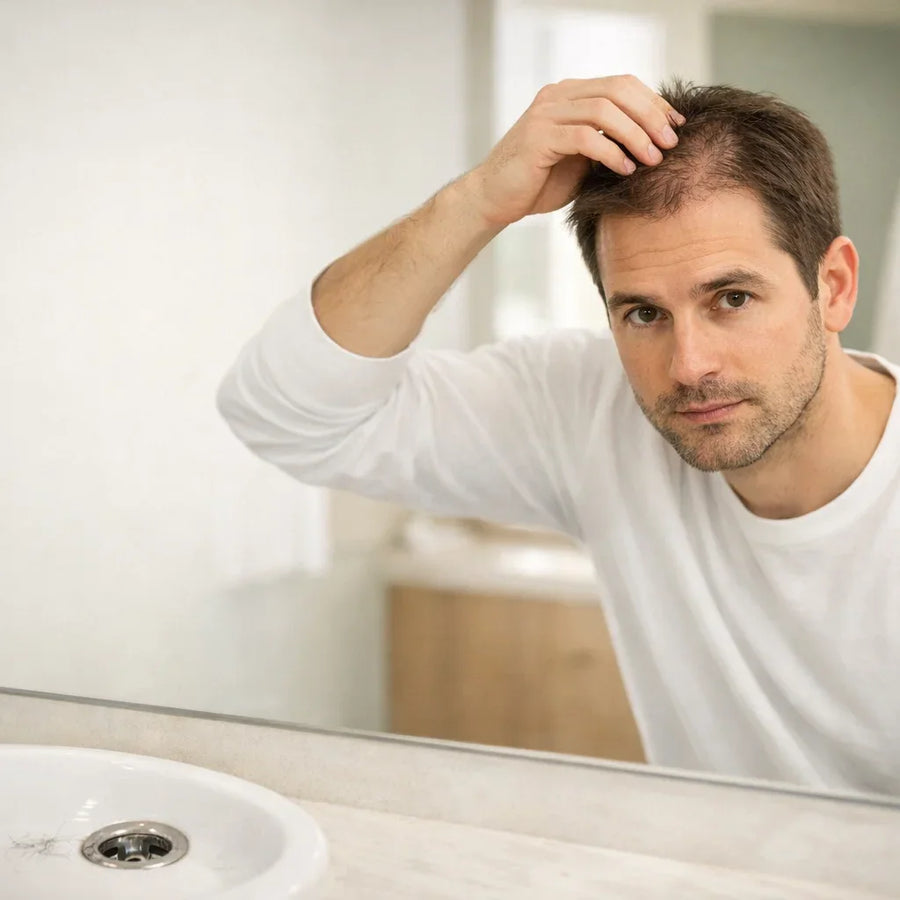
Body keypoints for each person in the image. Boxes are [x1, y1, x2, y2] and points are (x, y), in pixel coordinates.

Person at [217, 75, 899, 795]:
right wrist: (478, 200)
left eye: (731, 299)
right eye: (642, 314)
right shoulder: (589, 409)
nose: (689, 366)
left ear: (835, 286)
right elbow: (283, 411)